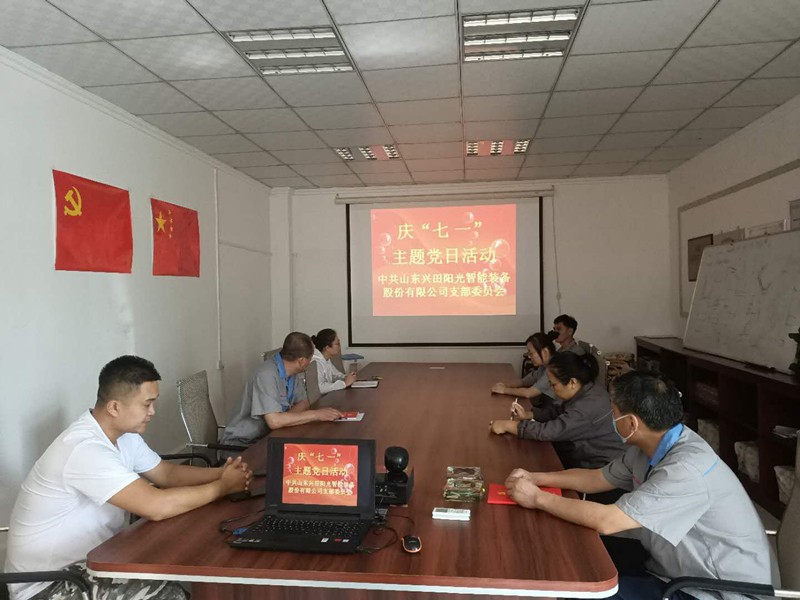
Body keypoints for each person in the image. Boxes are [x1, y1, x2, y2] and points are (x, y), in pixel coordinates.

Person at [503, 371, 774, 600]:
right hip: (671, 567)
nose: (610, 417)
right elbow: (597, 478)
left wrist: (537, 498)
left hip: (712, 590)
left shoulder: (686, 468)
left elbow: (608, 521)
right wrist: (536, 478)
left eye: (613, 412)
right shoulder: (649, 446)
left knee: (581, 587)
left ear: (631, 422)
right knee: (573, 555)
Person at [5, 355, 252, 600]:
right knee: (170, 594)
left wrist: (221, 473)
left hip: (94, 563)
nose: (152, 412)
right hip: (48, 585)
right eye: (147, 404)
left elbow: (166, 474)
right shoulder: (84, 448)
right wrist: (221, 487)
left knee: (171, 571)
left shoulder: (124, 435)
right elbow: (155, 506)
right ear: (114, 407)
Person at [490, 352, 624, 471]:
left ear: (572, 382)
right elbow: (560, 411)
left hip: (599, 467)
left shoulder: (588, 407)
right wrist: (529, 415)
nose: (552, 389)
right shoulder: (587, 388)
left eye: (553, 385)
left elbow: (551, 431)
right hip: (584, 456)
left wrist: (510, 426)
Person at [220, 332, 342, 447]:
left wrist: (284, 419)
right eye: (310, 359)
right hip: (242, 445)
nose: (310, 363)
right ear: (302, 361)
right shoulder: (266, 375)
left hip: (270, 437)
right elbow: (274, 421)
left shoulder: (293, 372)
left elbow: (304, 403)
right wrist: (315, 415)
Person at [491, 332, 558, 415]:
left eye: (531, 353)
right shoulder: (543, 366)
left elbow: (528, 393)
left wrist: (504, 390)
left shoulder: (554, 368)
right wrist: (506, 385)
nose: (529, 356)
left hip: (554, 412)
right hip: (546, 408)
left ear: (545, 352)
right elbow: (524, 382)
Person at [311, 328, 356, 394]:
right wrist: (344, 384)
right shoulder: (315, 362)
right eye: (337, 344)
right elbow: (320, 388)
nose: (339, 346)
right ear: (327, 348)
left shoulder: (326, 359)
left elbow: (335, 375)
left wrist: (346, 377)